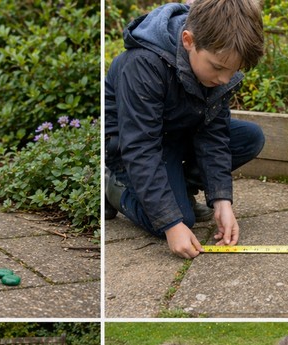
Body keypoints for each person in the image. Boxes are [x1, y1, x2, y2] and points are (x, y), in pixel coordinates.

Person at [104, 0, 265, 259]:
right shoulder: (143, 63)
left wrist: (221, 200)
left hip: (175, 134)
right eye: (218, 68)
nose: (224, 79)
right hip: (130, 148)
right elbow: (141, 148)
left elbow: (213, 134)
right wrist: (170, 223)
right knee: (178, 221)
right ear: (188, 40)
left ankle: (179, 189)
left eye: (233, 70)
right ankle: (115, 188)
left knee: (250, 138)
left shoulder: (215, 65)